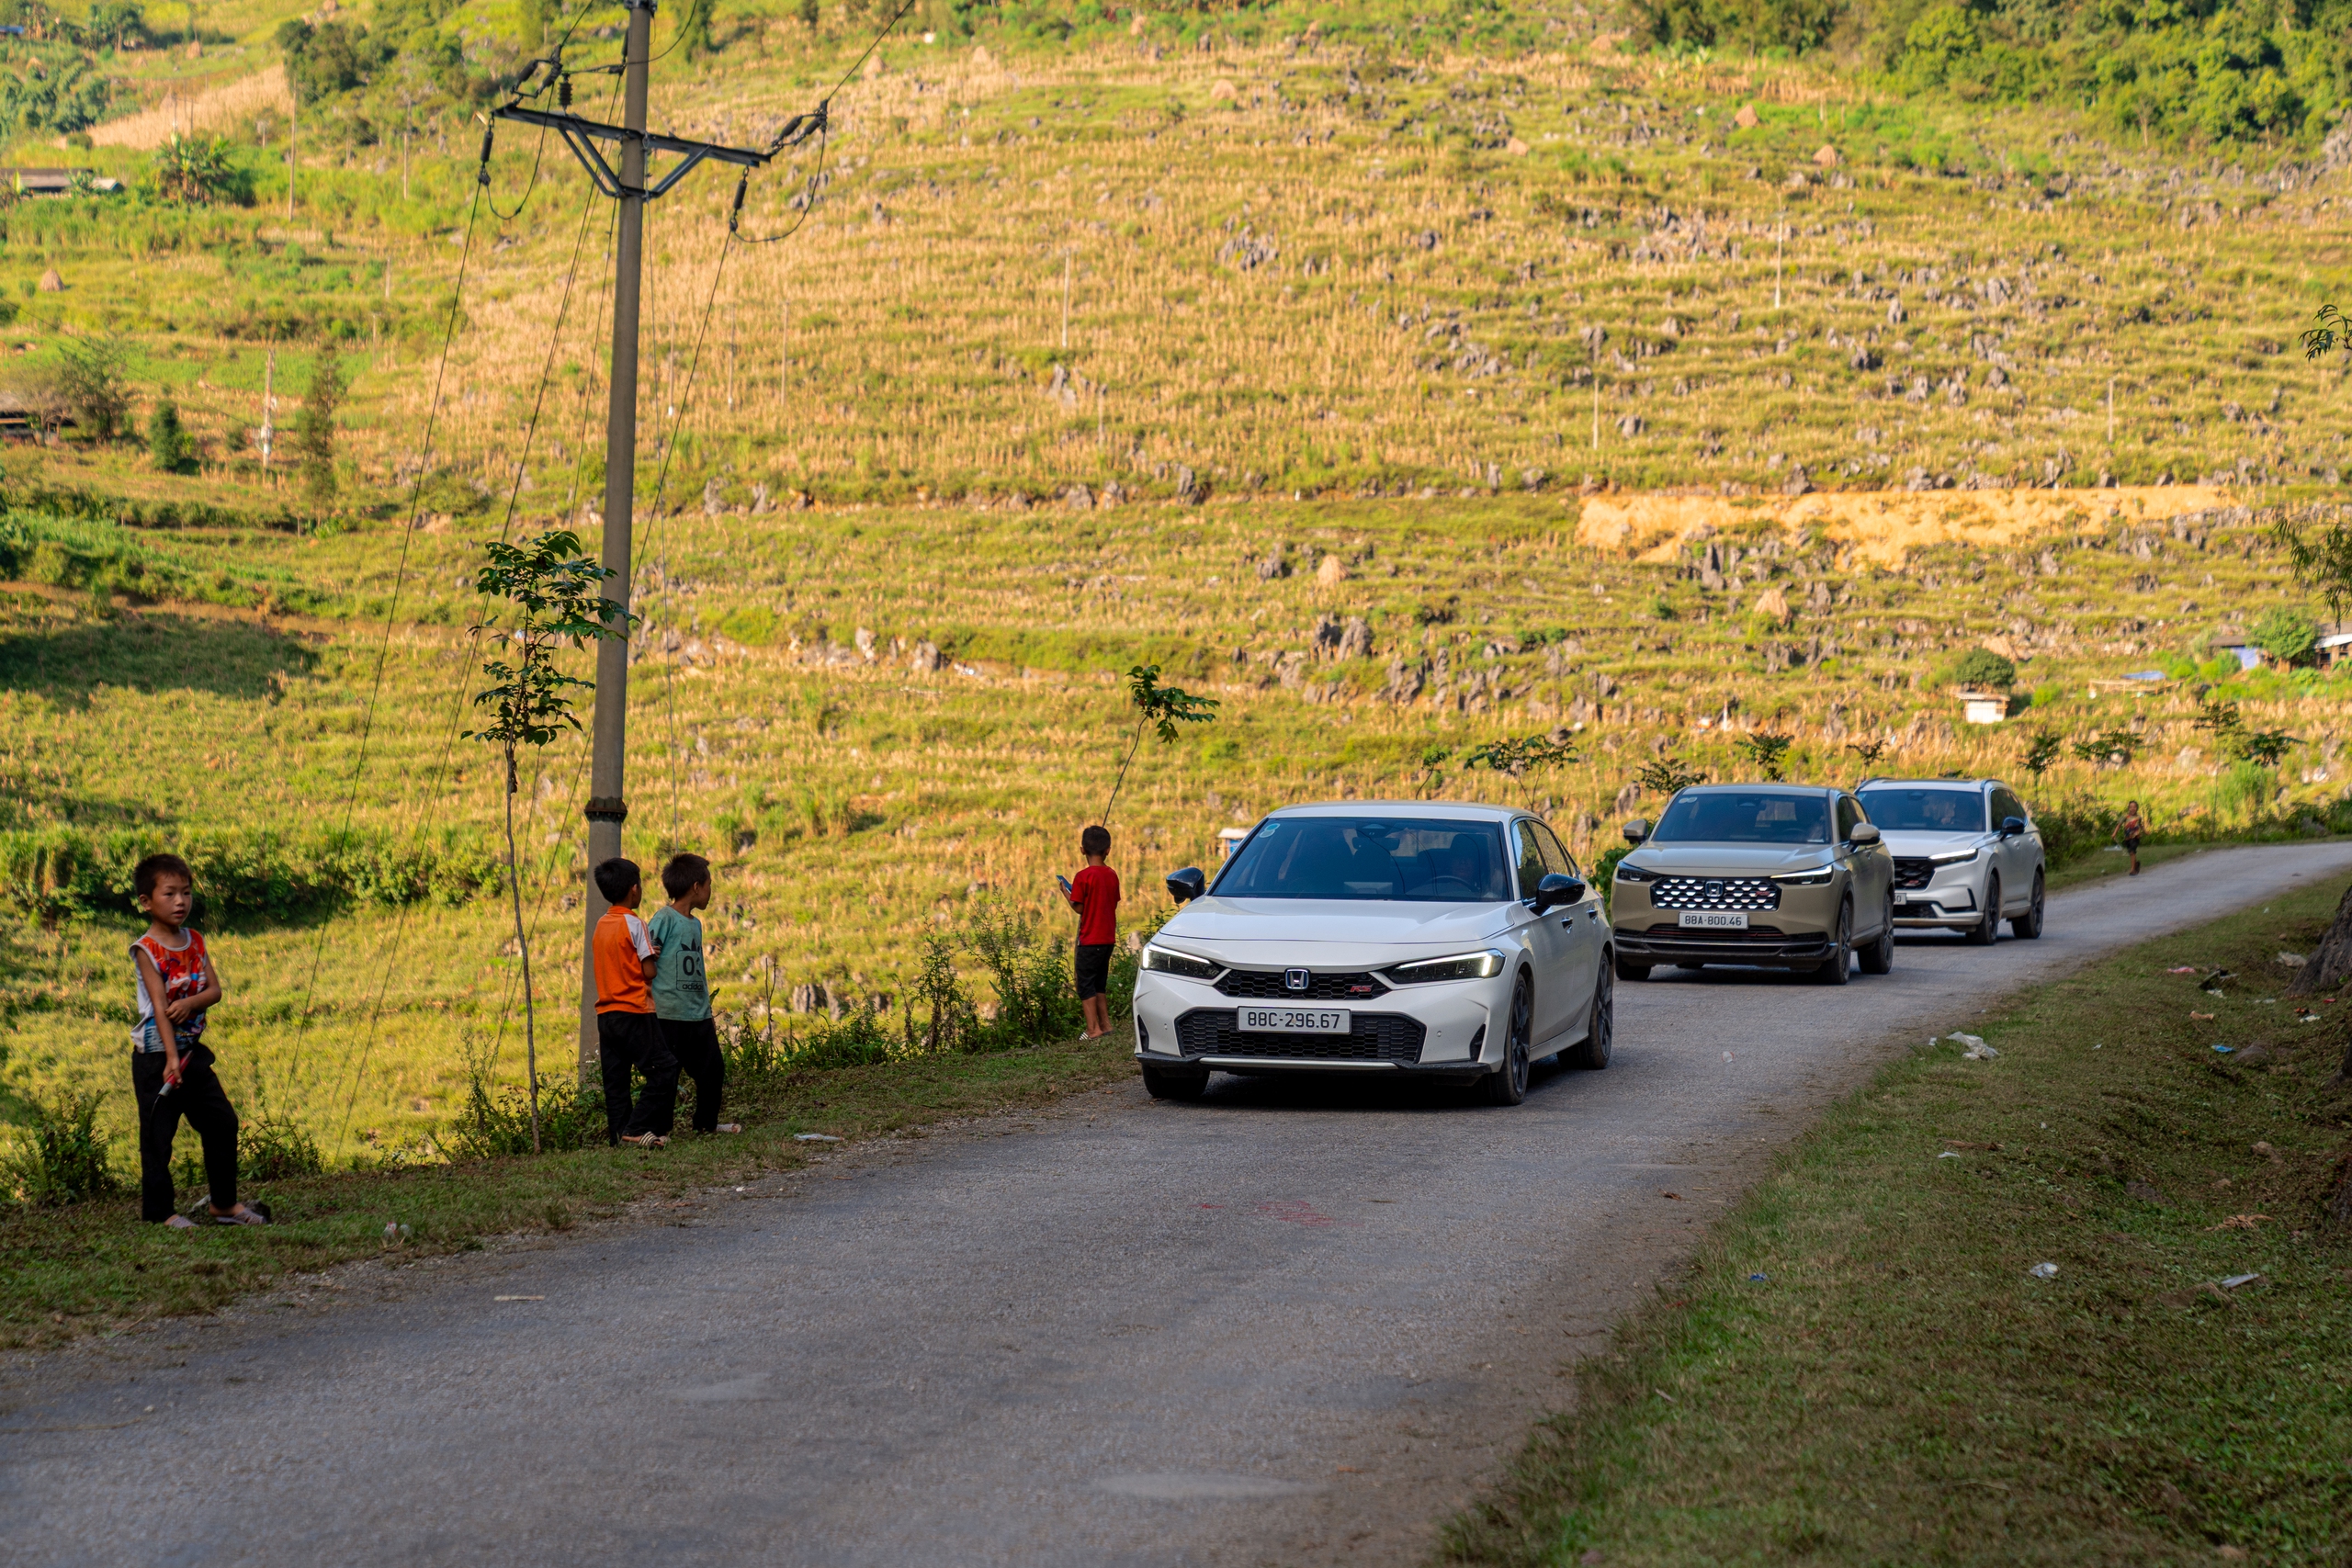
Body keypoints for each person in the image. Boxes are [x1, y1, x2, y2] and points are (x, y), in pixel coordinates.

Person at [128, 853, 268, 1227]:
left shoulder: (196, 941)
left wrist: (190, 1001)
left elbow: (216, 990)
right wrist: (171, 1060)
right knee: (159, 1138)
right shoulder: (145, 950)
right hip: (158, 1058)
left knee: (222, 1121)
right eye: (169, 894)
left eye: (186, 893)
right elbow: (160, 1009)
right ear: (146, 902)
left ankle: (223, 1205)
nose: (180, 902)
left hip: (192, 1054)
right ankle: (160, 1213)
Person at [648, 852, 741, 1137]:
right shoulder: (664, 917)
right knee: (667, 1074)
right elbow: (646, 952)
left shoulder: (695, 924)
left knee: (713, 1069)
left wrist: (705, 1009)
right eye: (710, 884)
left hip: (696, 1013)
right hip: (669, 1013)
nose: (711, 891)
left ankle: (706, 1125)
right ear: (697, 887)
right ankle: (658, 1131)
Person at [592, 857, 680, 1148]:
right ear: (633, 890)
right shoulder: (635, 923)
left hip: (606, 1015)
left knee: (616, 1083)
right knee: (664, 1069)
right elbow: (648, 972)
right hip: (635, 1011)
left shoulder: (601, 926)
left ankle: (621, 1138)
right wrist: (653, 957)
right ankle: (639, 1126)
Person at [1059, 824, 1120, 1041]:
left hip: (1089, 940)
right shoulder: (1112, 875)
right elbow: (1112, 903)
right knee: (1099, 982)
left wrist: (1066, 893)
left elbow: (1079, 908)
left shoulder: (1082, 877)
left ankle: (1093, 1029)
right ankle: (1106, 1024)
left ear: (1082, 850)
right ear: (1108, 851)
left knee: (1085, 983)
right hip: (1107, 939)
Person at [2118, 800, 2145, 876]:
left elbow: (2140, 825)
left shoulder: (2138, 817)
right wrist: (2114, 833)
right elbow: (2119, 825)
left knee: (2132, 852)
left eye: (2134, 807)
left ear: (2137, 808)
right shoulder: (2125, 817)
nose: (2132, 809)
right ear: (2128, 808)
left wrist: (2145, 831)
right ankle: (2136, 865)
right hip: (2127, 838)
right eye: (2131, 807)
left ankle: (2132, 869)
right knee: (2131, 853)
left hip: (2136, 837)